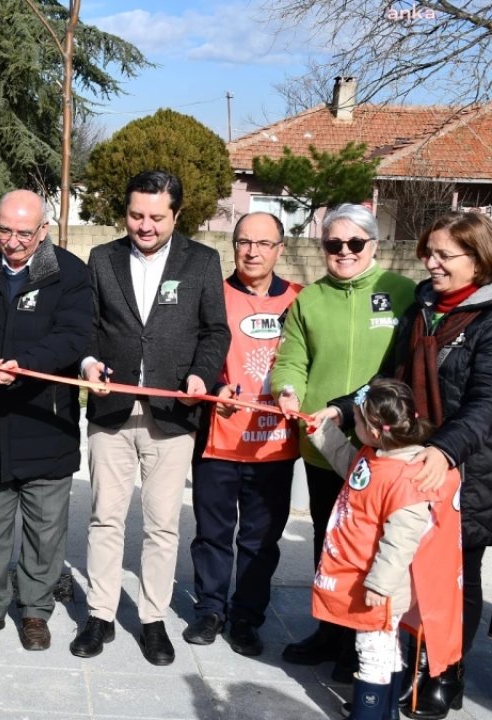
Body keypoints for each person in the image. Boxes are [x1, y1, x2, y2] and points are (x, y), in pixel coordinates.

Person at [318, 211, 492, 718]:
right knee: (407, 571)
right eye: (430, 252)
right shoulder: (422, 306)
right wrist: (341, 407)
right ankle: (406, 664)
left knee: (453, 576)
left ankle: (447, 672)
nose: (431, 262)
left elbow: (489, 400)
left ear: (479, 259)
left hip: (460, 468)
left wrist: (444, 450)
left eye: (445, 255)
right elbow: (389, 379)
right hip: (404, 462)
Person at [72, 170, 230, 666]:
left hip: (173, 413)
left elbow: (215, 333)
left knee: (162, 524)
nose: (144, 225)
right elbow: (89, 327)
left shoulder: (201, 262)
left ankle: (153, 618)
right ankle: (99, 613)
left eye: (156, 217)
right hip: (111, 411)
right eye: (136, 215)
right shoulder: (102, 258)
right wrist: (88, 363)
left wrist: (201, 377)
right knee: (105, 518)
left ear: (177, 215)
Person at [270, 203, 416, 680]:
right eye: (334, 244)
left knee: (381, 548)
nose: (345, 252)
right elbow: (290, 360)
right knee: (330, 542)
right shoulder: (309, 300)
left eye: (355, 243)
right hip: (324, 445)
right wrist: (287, 390)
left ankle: (367, 640)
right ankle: (330, 629)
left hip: (387, 450)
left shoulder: (403, 293)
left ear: (374, 245)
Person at [0, 190, 91, 651]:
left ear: (43, 230)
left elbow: (74, 335)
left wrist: (22, 365)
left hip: (46, 421)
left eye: (24, 233)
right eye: (4, 229)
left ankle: (35, 609)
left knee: (45, 530)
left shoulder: (69, 273)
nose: (11, 241)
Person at [183, 212, 302, 657]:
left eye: (263, 243)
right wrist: (215, 386)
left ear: (280, 249)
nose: (252, 251)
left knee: (260, 540)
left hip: (274, 443)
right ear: (233, 246)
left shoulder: (299, 298)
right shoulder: (212, 295)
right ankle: (210, 610)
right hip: (219, 438)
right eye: (243, 242)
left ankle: (247, 617)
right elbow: (193, 353)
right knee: (213, 533)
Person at [308, 379, 462, 720]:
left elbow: (402, 539)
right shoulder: (377, 455)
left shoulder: (407, 477)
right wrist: (322, 432)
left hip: (382, 587)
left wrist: (380, 583)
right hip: (369, 577)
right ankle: (387, 711)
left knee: (373, 652)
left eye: (357, 423)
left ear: (376, 431)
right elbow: (354, 469)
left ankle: (370, 712)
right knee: (385, 648)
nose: (354, 427)